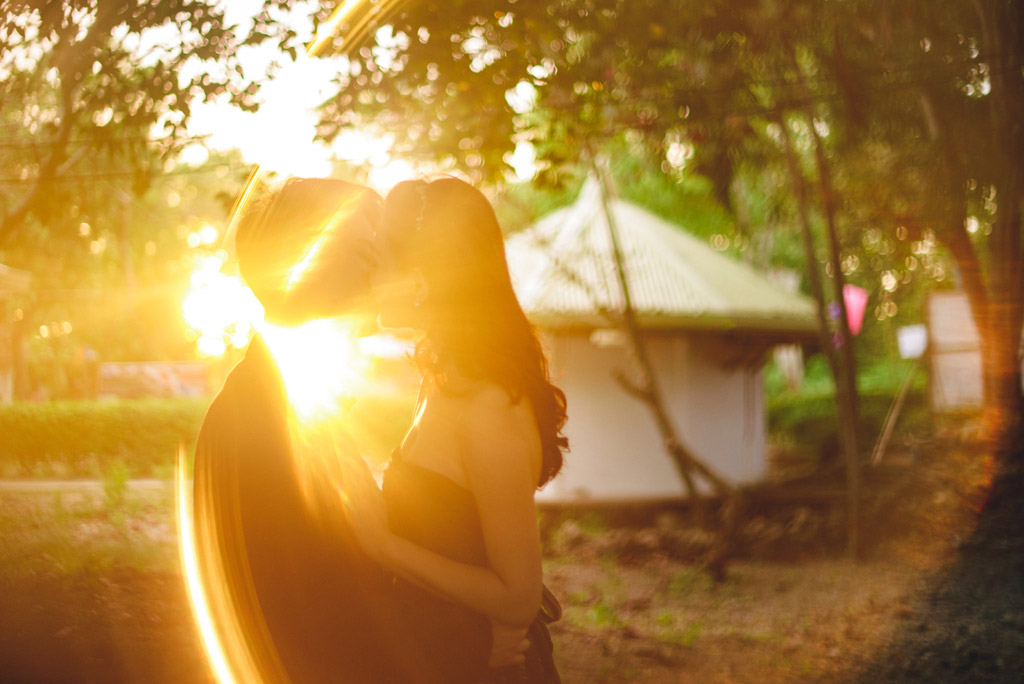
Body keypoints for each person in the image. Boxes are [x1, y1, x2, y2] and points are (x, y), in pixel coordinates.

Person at [339, 177, 566, 683]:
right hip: (442, 654)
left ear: (420, 278)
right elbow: (444, 521)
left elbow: (519, 594)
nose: (370, 273)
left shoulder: (489, 405)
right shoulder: (443, 381)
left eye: (379, 260)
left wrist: (381, 544)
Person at [192, 178, 416, 684]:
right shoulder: (263, 420)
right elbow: (322, 609)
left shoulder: (292, 397)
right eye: (363, 252)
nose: (381, 270)